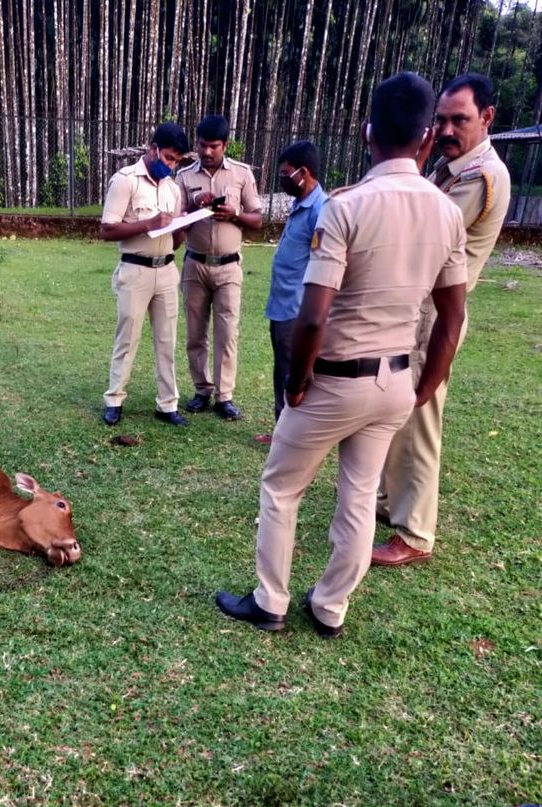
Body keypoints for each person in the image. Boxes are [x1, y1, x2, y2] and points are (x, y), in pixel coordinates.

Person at [215, 72, 467, 639]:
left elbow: (313, 315)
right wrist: (425, 385)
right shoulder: (446, 210)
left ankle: (270, 601)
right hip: (395, 382)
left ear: (367, 132)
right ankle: (330, 607)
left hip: (333, 379)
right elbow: (452, 315)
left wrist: (297, 382)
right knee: (357, 495)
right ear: (427, 137)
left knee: (282, 487)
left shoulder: (348, 206)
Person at [373, 72, 511, 566]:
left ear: (487, 118)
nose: (449, 129)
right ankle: (390, 503)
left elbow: (423, 226)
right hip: (414, 308)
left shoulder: (481, 178)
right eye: (442, 120)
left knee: (420, 418)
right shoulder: (451, 170)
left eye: (461, 120)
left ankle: (414, 533)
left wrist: (409, 167)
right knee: (396, 410)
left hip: (437, 314)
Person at [101, 122, 191, 428]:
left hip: (166, 270)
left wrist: (183, 226)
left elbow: (176, 239)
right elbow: (107, 229)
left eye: (176, 161)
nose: (171, 165)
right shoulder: (125, 181)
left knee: (167, 341)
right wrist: (147, 224)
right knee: (128, 338)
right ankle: (114, 399)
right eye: (167, 157)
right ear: (152, 149)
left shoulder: (173, 189)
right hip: (135, 270)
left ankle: (167, 404)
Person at [176, 115, 262, 420]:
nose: (207, 151)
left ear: (225, 145)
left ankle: (224, 396)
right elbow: (175, 221)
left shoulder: (241, 175)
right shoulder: (184, 177)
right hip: (194, 265)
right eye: (202, 145)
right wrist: (194, 207)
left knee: (227, 333)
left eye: (214, 146)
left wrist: (234, 213)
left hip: (229, 268)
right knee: (195, 333)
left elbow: (257, 219)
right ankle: (202, 390)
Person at [255, 141, 327, 445]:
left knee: (296, 373)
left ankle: (295, 436)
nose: (282, 179)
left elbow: (323, 264)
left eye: (286, 173)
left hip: (298, 310)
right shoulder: (301, 204)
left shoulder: (321, 210)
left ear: (304, 172)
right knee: (282, 370)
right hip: (282, 306)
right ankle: (282, 430)